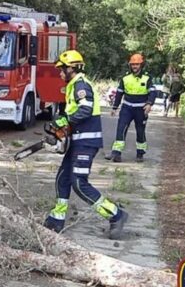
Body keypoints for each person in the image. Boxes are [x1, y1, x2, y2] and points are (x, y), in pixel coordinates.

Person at [43, 50, 130, 240]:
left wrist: (66, 121)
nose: (60, 73)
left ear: (72, 68)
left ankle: (116, 215)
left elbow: (85, 109)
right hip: (77, 141)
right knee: (63, 178)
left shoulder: (80, 85)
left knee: (79, 183)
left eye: (62, 69)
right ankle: (57, 219)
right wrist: (61, 127)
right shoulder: (73, 85)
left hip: (86, 142)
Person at [106, 53, 157, 163]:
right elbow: (119, 93)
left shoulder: (147, 78)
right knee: (121, 129)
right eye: (133, 64)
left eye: (137, 64)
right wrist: (114, 107)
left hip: (141, 109)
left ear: (141, 65)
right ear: (130, 65)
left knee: (140, 131)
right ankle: (116, 153)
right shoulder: (125, 78)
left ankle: (140, 153)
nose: (135, 66)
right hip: (127, 108)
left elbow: (153, 92)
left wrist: (149, 104)